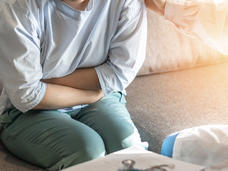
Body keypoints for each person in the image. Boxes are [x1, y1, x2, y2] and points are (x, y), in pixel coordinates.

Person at [0, 0, 147, 170]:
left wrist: (41, 83)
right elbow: (26, 95)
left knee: (127, 146)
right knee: (89, 151)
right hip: (29, 112)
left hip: (101, 98)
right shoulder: (17, 6)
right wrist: (91, 95)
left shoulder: (126, 3)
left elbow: (120, 72)